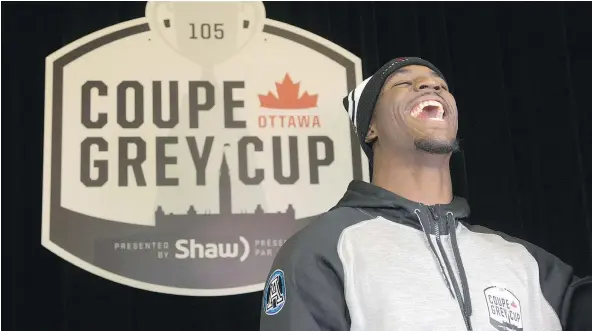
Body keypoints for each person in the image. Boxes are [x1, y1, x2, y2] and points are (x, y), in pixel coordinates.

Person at [258, 57, 591, 331]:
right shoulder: (325, 248)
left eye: (441, 85)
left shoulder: (527, 262)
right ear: (369, 127)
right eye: (403, 82)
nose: (430, 85)